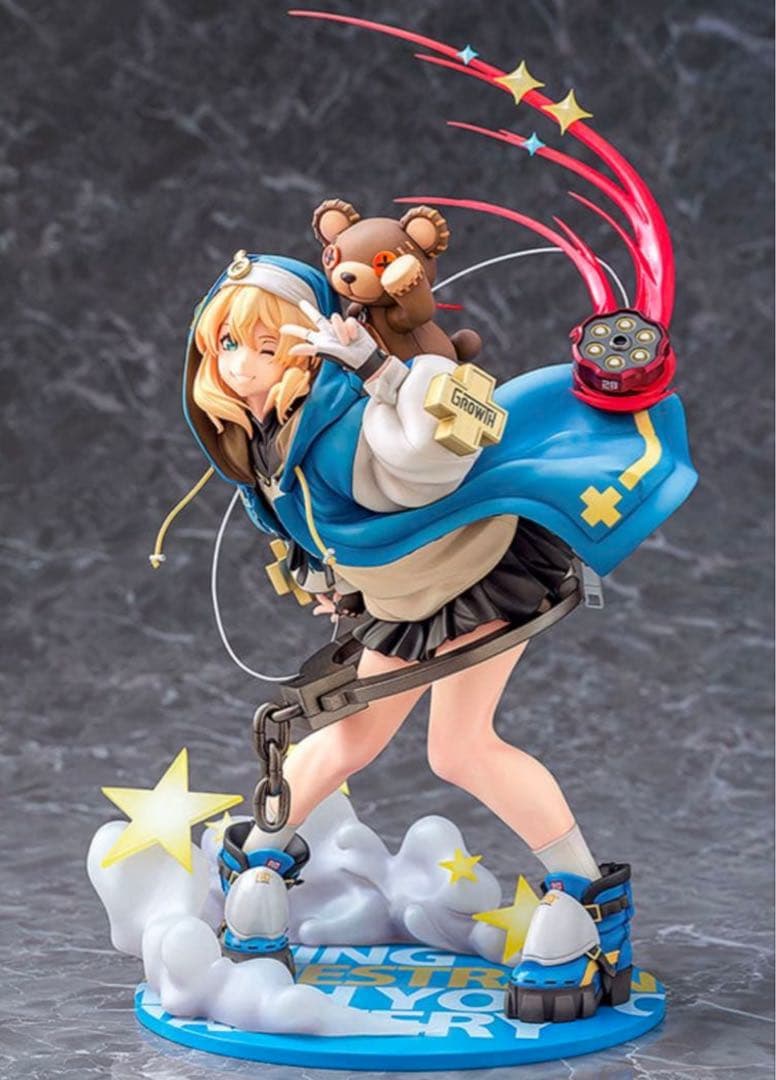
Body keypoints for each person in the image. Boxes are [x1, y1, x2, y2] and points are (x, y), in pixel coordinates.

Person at [181, 248, 696, 1021]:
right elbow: (328, 525)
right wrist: (334, 579)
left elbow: (433, 460)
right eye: (227, 344)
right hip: (404, 595)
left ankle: (587, 901)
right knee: (349, 737)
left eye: (267, 344)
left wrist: (378, 373)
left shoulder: (340, 421)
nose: (243, 365)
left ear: (310, 343)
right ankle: (258, 866)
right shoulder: (266, 438)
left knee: (460, 748)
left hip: (472, 575)